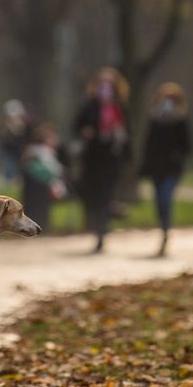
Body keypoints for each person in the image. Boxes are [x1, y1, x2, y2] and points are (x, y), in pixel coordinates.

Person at [73, 67, 130, 253]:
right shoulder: (89, 106)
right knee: (93, 196)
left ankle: (101, 232)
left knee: (106, 194)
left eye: (109, 85)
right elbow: (77, 125)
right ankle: (98, 222)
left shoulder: (119, 107)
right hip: (92, 159)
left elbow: (127, 134)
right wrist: (86, 132)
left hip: (110, 159)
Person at [139, 82, 192, 256]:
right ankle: (163, 227)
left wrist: (177, 155)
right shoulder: (155, 119)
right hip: (156, 168)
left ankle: (165, 232)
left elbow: (187, 146)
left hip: (172, 169)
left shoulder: (180, 120)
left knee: (165, 198)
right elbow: (149, 145)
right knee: (159, 202)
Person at [20, 122, 67, 233]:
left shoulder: (31, 150)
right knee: (40, 210)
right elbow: (54, 170)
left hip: (33, 187)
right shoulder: (43, 151)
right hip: (41, 186)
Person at [0, 99, 29, 184]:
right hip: (8, 149)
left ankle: (15, 181)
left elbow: (23, 137)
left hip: (18, 150)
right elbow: (1, 137)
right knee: (8, 166)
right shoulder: (3, 125)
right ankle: (8, 181)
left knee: (18, 167)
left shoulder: (23, 124)